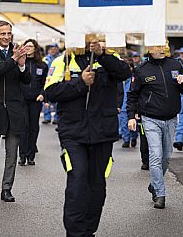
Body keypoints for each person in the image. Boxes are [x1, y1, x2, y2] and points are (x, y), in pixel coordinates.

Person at [45, 39, 130, 237]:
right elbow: (50, 92)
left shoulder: (109, 58)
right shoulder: (63, 61)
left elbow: (124, 73)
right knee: (78, 179)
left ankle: (89, 230)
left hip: (103, 133)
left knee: (97, 184)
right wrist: (80, 83)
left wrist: (102, 54)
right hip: (73, 133)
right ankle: (75, 233)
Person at [127, 45, 183, 209]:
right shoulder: (142, 69)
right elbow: (132, 94)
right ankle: (160, 194)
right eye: (157, 47)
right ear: (150, 49)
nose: (161, 50)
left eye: (164, 46)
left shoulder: (175, 65)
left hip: (171, 118)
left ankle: (155, 183)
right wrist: (131, 117)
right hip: (150, 119)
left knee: (166, 156)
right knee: (155, 155)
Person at [0, 20, 30, 202]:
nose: (7, 37)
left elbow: (27, 80)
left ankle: (7, 188)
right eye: (3, 34)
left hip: (15, 109)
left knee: (12, 152)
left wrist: (23, 65)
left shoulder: (17, 52)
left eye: (9, 33)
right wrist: (14, 60)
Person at [18, 39, 48, 166]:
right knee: (23, 127)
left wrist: (42, 94)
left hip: (36, 99)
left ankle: (31, 155)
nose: (28, 48)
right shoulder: (19, 63)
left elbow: (45, 82)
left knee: (33, 127)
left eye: (31, 46)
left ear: (35, 48)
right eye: (26, 46)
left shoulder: (42, 65)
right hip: (22, 99)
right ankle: (22, 155)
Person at [43, 43, 61, 124]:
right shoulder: (46, 59)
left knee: (57, 100)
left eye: (54, 48)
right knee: (46, 100)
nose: (52, 50)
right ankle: (47, 117)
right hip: (47, 81)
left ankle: (57, 117)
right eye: (51, 48)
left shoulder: (61, 58)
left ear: (58, 49)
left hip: (57, 81)